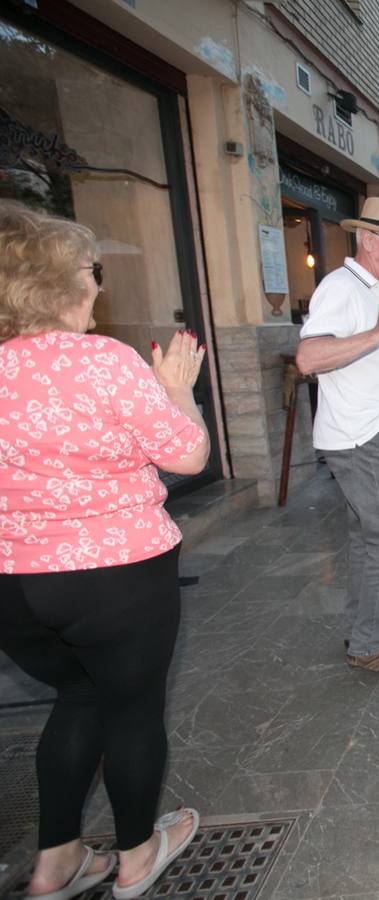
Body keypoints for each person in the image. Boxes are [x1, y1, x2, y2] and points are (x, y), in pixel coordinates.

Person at [0, 202, 209, 898]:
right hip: (114, 577)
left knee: (77, 698)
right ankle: (137, 856)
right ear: (64, 283)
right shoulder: (104, 361)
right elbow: (186, 454)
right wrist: (179, 392)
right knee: (131, 710)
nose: (99, 285)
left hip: (14, 585)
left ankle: (56, 862)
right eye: (94, 271)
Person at [296, 197, 379, 674]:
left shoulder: (375, 288)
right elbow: (309, 358)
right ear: (367, 239)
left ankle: (361, 629)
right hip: (361, 436)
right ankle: (371, 644)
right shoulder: (341, 288)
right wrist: (376, 334)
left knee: (367, 536)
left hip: (375, 432)